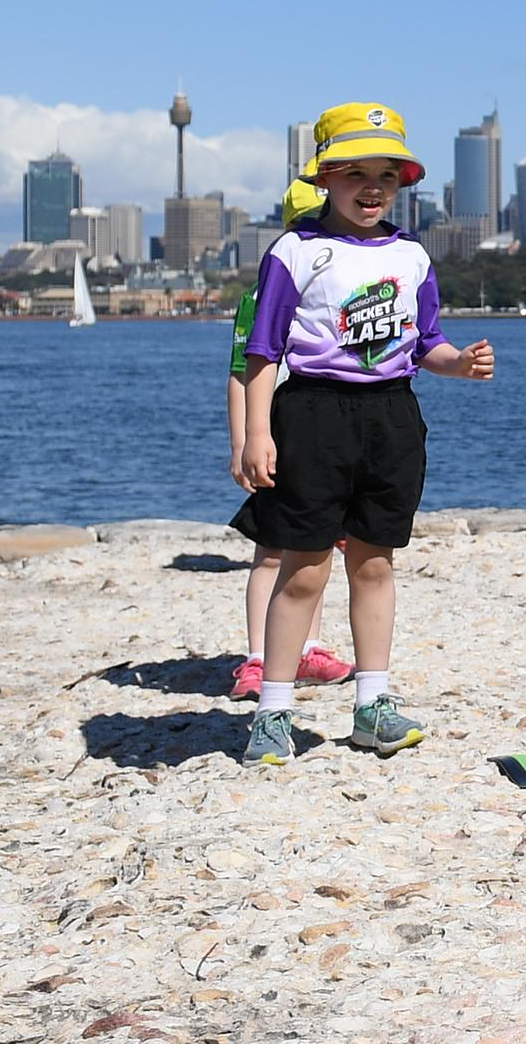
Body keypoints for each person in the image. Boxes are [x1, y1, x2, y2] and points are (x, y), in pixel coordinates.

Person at [232, 103, 495, 766]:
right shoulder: (296, 252)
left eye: (387, 174)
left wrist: (458, 364)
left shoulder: (411, 255)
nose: (372, 187)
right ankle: (274, 710)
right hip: (313, 414)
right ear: (325, 177)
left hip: (391, 418)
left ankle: (372, 704)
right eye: (354, 172)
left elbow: (424, 341)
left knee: (375, 562)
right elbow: (263, 350)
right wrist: (256, 433)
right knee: (303, 570)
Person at [225, 165, 345, 699]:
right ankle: (258, 656)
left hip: (324, 431)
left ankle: (308, 647)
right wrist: (244, 441)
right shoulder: (262, 297)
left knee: (318, 548)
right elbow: (239, 373)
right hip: (277, 432)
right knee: (273, 549)